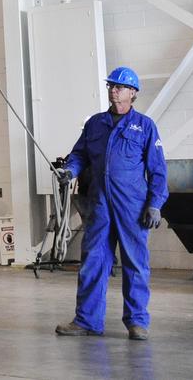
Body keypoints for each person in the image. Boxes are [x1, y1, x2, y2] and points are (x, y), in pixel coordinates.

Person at [54, 66, 167, 341]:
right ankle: (87, 320)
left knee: (135, 264)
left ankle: (137, 322)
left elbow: (158, 170)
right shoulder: (95, 124)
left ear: (133, 93)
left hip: (133, 206)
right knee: (93, 261)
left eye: (120, 87)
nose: (113, 90)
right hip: (100, 204)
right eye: (111, 86)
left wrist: (155, 203)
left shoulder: (145, 126)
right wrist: (70, 171)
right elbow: (80, 155)